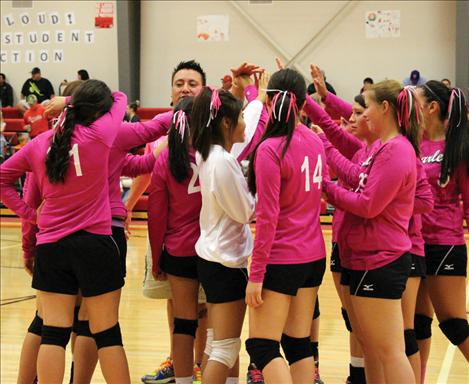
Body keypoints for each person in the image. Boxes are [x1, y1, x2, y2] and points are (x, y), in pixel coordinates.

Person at [0, 80, 131, 383]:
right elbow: (119, 98)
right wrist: (70, 101)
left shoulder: (40, 142)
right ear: (96, 112)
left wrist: (29, 215)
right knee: (107, 333)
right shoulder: (100, 135)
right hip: (95, 244)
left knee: (52, 334)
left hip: (51, 246)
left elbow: (3, 177)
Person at [323, 80, 421, 384]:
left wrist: (327, 189)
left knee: (390, 351)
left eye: (367, 108)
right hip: (368, 257)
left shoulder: (396, 150)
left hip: (380, 259)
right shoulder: (383, 147)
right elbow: (357, 176)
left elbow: (368, 205)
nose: (362, 116)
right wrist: (325, 148)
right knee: (375, 349)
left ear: (385, 108)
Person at [244, 68, 327, 384]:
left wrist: (256, 275)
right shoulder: (314, 140)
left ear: (269, 100)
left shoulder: (269, 149)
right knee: (297, 342)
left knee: (262, 346)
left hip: (282, 258)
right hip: (313, 255)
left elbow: (267, 217)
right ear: (304, 104)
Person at [191, 86, 255, 384]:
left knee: (216, 343)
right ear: (226, 123)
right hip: (225, 262)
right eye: (240, 116)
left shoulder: (212, 154)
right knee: (226, 350)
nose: (245, 121)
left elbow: (252, 124)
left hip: (213, 257)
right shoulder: (223, 161)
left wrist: (254, 96)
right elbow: (245, 212)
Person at [414, 81, 469, 379]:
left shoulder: (457, 146)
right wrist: (325, 98)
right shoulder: (414, 142)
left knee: (453, 323)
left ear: (432, 107)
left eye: (417, 102)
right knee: (418, 322)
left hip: (445, 244)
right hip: (416, 244)